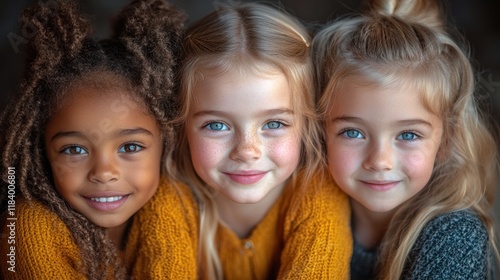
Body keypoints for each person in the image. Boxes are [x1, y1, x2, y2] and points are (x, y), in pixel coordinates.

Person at [132, 2, 352, 279]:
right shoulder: (167, 203)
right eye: (216, 125)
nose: (247, 151)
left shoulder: (319, 194)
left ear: (307, 123)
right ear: (181, 126)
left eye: (274, 124)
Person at [312, 0, 500, 279]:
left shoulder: (456, 235)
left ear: (445, 141)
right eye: (353, 132)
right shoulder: (306, 210)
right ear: (319, 131)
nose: (380, 161)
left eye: (408, 135)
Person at [0, 0, 184, 278]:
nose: (104, 173)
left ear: (165, 143)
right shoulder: (29, 230)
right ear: (42, 151)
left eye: (130, 146)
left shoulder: (171, 206)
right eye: (74, 149)